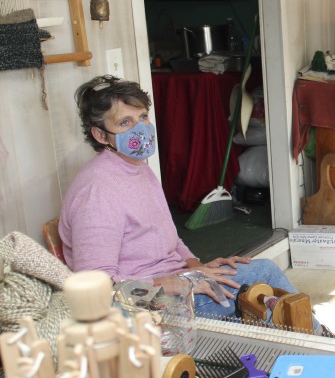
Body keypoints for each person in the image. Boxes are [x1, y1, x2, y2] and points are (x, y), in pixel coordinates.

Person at [59, 75, 313, 326]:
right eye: (125, 122)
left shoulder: (138, 168)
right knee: (262, 278)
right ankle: (318, 343)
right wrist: (171, 282)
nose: (140, 128)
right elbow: (97, 286)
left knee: (259, 280)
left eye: (143, 117)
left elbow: (169, 239)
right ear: (101, 135)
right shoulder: (97, 192)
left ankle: (309, 343)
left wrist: (195, 266)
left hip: (177, 279)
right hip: (147, 304)